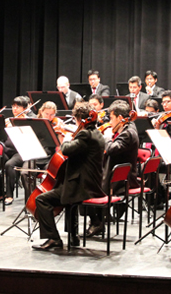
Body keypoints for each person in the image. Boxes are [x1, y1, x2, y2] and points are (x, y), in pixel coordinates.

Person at [33, 102, 105, 250]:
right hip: (92, 184)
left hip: (81, 187)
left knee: (41, 200)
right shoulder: (97, 133)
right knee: (66, 195)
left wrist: (65, 139)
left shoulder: (85, 135)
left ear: (79, 119)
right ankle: (73, 236)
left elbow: (66, 150)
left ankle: (53, 238)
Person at [86, 100, 139, 237]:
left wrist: (107, 137)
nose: (110, 122)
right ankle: (99, 219)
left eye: (111, 118)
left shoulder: (128, 133)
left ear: (120, 118)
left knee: (86, 186)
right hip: (116, 173)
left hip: (121, 178)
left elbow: (111, 149)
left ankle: (97, 222)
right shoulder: (128, 127)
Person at [0, 96, 32, 205]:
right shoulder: (8, 121)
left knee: (9, 165)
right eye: (13, 106)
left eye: (18, 107)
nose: (14, 109)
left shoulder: (28, 122)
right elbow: (2, 138)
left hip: (20, 152)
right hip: (7, 150)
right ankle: (1, 193)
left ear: (24, 109)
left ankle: (9, 195)